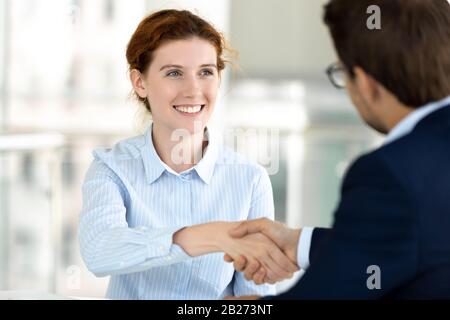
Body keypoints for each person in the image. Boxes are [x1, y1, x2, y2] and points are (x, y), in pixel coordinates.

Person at [225, 0, 450, 299]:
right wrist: (299, 242)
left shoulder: (391, 173)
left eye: (343, 74)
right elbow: (419, 238)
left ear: (368, 84)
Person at [78, 9, 298, 300]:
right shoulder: (111, 169)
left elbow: (253, 296)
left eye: (206, 72)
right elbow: (100, 251)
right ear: (139, 82)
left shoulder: (250, 179)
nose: (194, 90)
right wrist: (213, 236)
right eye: (174, 73)